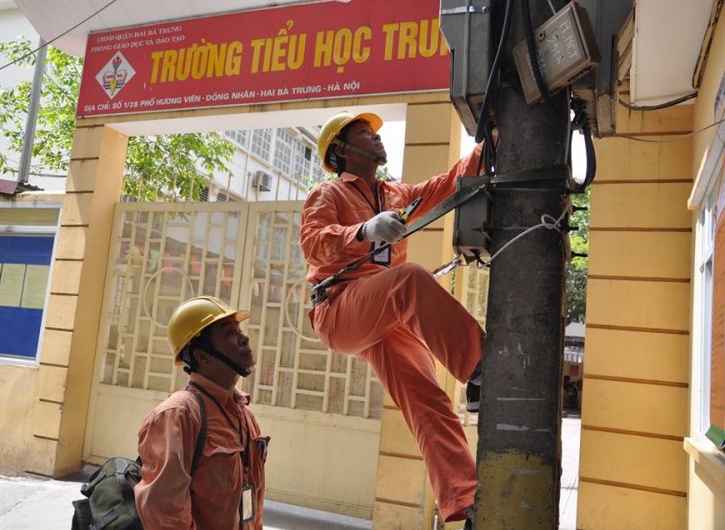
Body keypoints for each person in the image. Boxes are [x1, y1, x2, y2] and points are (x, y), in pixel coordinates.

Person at [300, 111, 485, 526]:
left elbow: (445, 185)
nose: (377, 138)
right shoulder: (327, 194)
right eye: (366, 133)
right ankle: (479, 368)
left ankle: (464, 500)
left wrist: (488, 143)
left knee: (428, 399)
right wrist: (363, 231)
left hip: (384, 313)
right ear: (342, 151)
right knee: (409, 279)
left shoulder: (395, 195)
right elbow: (313, 244)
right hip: (339, 307)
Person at [135, 296, 269, 530]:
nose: (244, 338)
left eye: (239, 330)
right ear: (202, 356)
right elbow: (164, 516)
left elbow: (252, 499)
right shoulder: (179, 416)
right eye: (229, 333)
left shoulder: (245, 416)